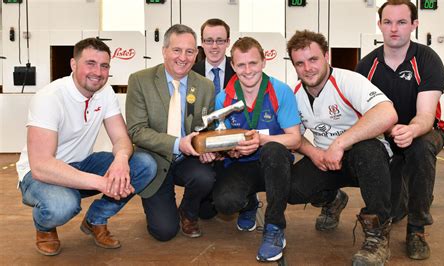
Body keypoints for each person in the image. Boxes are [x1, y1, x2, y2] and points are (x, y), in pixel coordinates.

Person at [15, 38, 157, 256]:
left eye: (104, 66)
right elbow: (41, 165)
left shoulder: (105, 92)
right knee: (62, 204)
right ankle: (44, 228)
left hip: (82, 163)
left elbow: (121, 138)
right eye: (90, 63)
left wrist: (120, 161)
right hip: (38, 176)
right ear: (73, 64)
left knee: (144, 164)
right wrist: (102, 183)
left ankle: (95, 220)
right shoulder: (50, 97)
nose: (98, 72)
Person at [286, 30, 398, 265]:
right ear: (294, 66)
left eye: (313, 59)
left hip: (365, 159)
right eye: (300, 63)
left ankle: (377, 238)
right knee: (292, 188)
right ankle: (333, 200)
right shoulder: (294, 95)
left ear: (327, 56)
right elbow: (294, 136)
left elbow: (388, 114)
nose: (308, 68)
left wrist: (341, 143)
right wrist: (314, 152)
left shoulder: (349, 80)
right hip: (328, 159)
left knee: (368, 151)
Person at [356, 0, 444, 260]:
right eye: (388, 22)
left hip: (423, 131)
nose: (394, 29)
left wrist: (411, 130)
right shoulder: (366, 66)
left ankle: (417, 230)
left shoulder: (428, 59)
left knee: (420, 147)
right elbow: (365, 114)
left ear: (414, 25)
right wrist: (387, 131)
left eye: (402, 22)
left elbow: (427, 114)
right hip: (384, 133)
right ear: (380, 25)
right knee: (365, 151)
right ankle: (381, 221)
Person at [206, 37, 301, 262]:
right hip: (242, 163)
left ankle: (274, 227)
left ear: (264, 62)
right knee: (225, 203)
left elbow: (295, 139)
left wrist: (261, 140)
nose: (248, 71)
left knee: (274, 150)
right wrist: (232, 149)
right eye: (241, 65)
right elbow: (225, 140)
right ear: (232, 66)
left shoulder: (281, 91)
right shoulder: (224, 98)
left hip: (274, 163)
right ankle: (249, 203)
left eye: (253, 63)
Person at [126, 24, 216, 241]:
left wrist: (207, 146)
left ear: (196, 54)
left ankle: (188, 211)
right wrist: (177, 143)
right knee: (164, 232)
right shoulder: (139, 80)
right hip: (154, 160)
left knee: (206, 176)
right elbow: (136, 131)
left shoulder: (205, 86)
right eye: (177, 50)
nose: (183, 57)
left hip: (188, 159)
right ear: (164, 50)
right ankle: (163, 208)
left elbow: (207, 127)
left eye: (190, 51)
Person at [192, 18, 235, 95]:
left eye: (220, 40)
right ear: (202, 42)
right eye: (209, 41)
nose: (214, 46)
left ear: (228, 42)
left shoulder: (238, 70)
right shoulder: (192, 72)